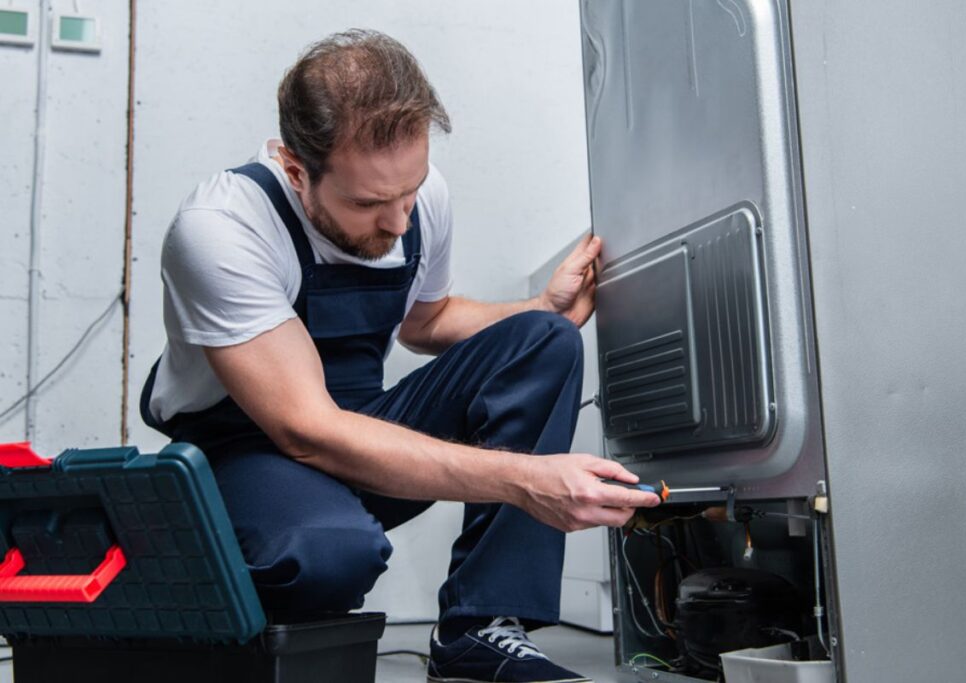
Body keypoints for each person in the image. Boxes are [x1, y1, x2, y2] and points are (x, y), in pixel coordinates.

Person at [140, 29, 659, 683]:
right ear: (296, 168)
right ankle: (204, 580)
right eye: (368, 204)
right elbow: (305, 430)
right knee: (331, 554)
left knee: (544, 341)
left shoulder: (418, 198)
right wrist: (527, 480)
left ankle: (479, 627)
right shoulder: (221, 229)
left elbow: (427, 321)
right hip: (245, 454)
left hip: (360, 429)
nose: (397, 223)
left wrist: (541, 307)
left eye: (409, 191)